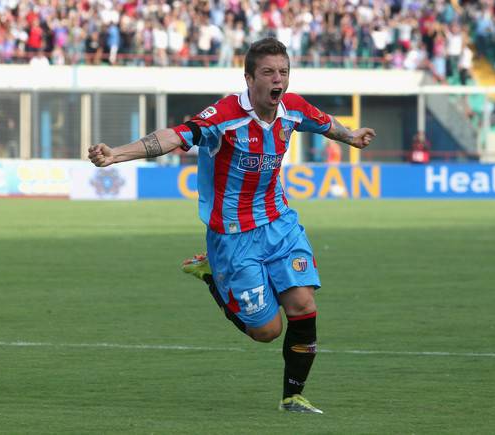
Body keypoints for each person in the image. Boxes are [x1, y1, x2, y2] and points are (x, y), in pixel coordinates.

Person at [88, 38, 376, 413]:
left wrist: (351, 136)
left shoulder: (292, 108)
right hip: (234, 237)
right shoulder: (225, 115)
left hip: (279, 224)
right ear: (249, 78)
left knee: (303, 305)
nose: (278, 79)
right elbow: (174, 135)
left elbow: (323, 123)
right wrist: (117, 154)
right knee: (267, 331)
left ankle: (293, 396)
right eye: (269, 72)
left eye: (283, 71)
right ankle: (213, 275)